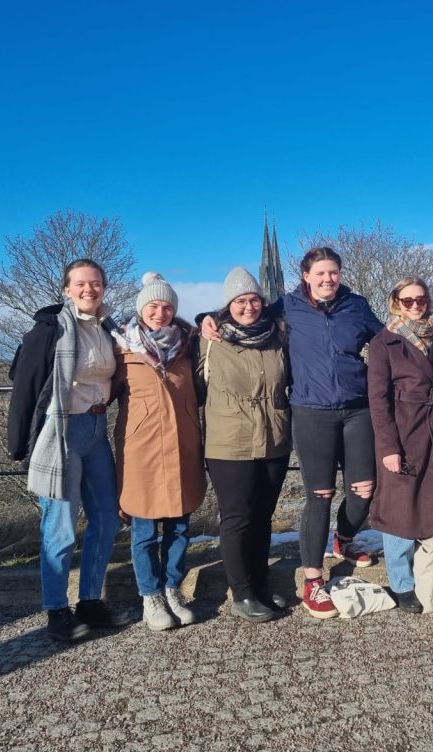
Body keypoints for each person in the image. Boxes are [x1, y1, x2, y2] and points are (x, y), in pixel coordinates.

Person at [200, 246, 383, 620]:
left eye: (334, 273)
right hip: (311, 411)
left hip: (356, 408)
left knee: (363, 490)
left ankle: (344, 541)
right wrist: (206, 317)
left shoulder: (357, 305)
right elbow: (242, 313)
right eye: (320, 273)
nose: (328, 279)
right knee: (320, 494)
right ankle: (313, 581)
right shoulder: (285, 308)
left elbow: (385, 345)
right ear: (306, 276)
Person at [7, 258, 125, 641]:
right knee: (60, 526)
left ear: (104, 288)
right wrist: (17, 442)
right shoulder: (51, 330)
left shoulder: (110, 328)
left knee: (106, 519)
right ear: (67, 289)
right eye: (81, 284)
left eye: (96, 284)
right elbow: (25, 384)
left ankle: (90, 600)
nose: (89, 290)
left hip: (96, 429)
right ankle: (56, 610)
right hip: (61, 430)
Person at [196, 267, 291, 624]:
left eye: (253, 299)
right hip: (229, 443)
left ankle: (260, 585)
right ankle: (242, 592)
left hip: (274, 438)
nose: (248, 306)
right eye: (240, 301)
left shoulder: (277, 334)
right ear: (227, 305)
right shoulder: (209, 338)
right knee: (237, 517)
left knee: (263, 517)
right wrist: (203, 319)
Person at [111, 273, 205, 632]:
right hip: (142, 451)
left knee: (180, 527)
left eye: (167, 306)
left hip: (181, 447)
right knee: (144, 529)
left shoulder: (187, 347)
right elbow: (102, 391)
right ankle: (150, 596)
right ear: (141, 309)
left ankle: (172, 588)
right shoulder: (123, 349)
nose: (160, 312)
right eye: (153, 306)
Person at [367, 277, 433, 613]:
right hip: (403, 433)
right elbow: (378, 400)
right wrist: (389, 447)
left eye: (421, 299)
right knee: (399, 509)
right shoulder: (383, 343)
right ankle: (402, 583)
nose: (416, 305)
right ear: (395, 302)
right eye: (408, 301)